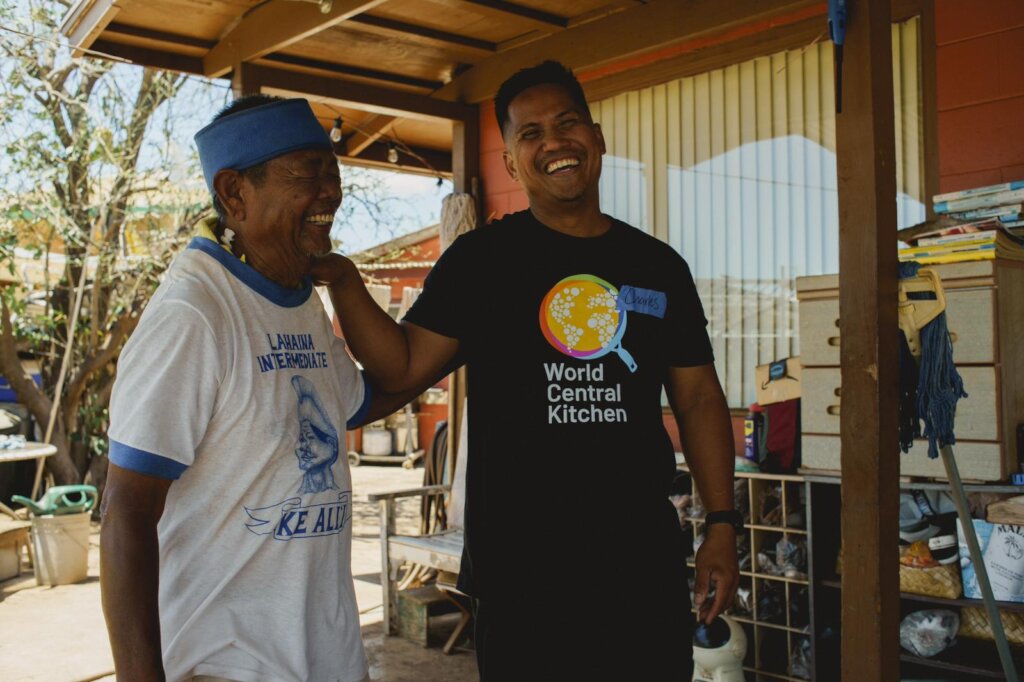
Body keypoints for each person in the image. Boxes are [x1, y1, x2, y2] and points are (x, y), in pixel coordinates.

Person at [319, 61, 739, 679]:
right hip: (523, 576)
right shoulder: (482, 263)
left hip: (639, 565)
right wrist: (344, 282)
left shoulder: (656, 267)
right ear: (513, 163)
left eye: (567, 124)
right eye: (531, 133)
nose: (554, 143)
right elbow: (404, 367)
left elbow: (700, 398)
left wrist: (722, 526)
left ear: (597, 138)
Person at [101, 96, 403, 682]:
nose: (329, 193)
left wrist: (348, 283)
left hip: (329, 661)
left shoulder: (298, 295)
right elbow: (124, 514)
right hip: (230, 668)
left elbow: (370, 394)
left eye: (331, 173)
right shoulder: (195, 313)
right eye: (305, 174)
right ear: (235, 194)